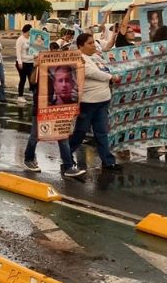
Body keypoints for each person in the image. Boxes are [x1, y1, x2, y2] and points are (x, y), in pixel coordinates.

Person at [23, 45, 85, 177]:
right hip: (41, 109)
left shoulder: (69, 92)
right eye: (60, 81)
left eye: (66, 80)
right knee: (35, 136)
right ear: (55, 83)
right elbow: (32, 80)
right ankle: (28, 159)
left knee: (62, 137)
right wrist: (37, 66)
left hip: (61, 111)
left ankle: (68, 166)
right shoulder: (42, 68)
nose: (64, 84)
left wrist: (80, 66)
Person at [68, 33, 123, 171]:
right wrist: (111, 77)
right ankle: (66, 157)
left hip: (103, 100)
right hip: (88, 102)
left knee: (102, 132)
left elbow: (108, 67)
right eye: (90, 43)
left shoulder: (96, 57)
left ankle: (108, 161)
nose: (93, 45)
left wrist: (113, 74)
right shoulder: (78, 58)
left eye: (94, 42)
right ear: (81, 45)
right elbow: (92, 72)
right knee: (80, 132)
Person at [15, 24, 34, 104]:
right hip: (22, 62)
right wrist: (20, 62)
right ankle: (20, 96)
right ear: (27, 30)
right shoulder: (20, 39)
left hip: (31, 62)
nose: (31, 32)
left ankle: (34, 95)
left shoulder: (31, 39)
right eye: (30, 31)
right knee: (23, 79)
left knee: (32, 80)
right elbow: (18, 52)